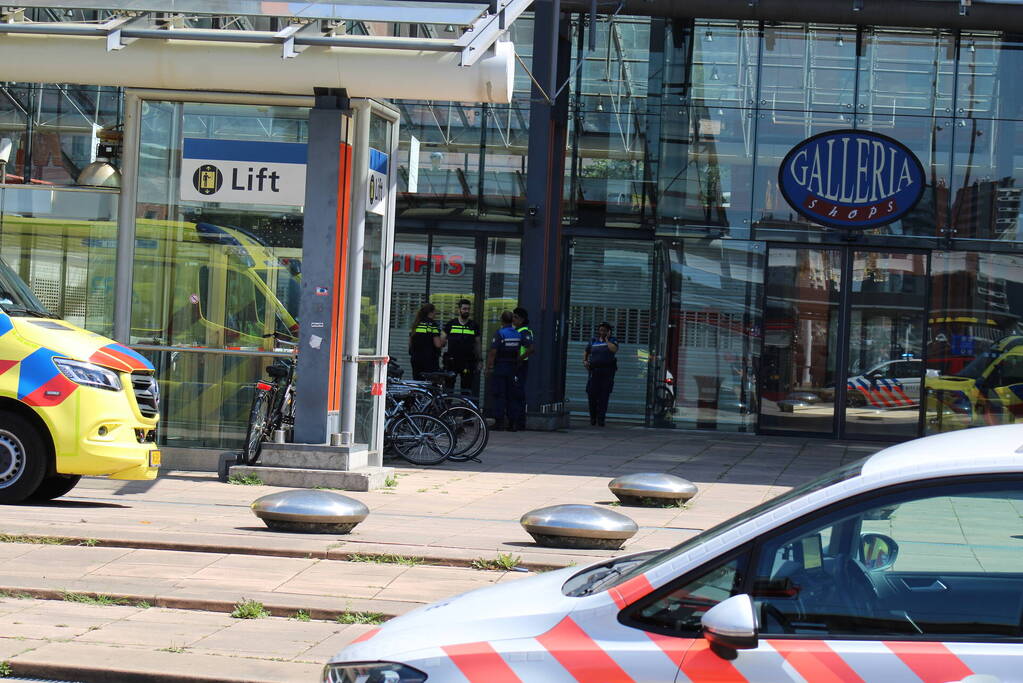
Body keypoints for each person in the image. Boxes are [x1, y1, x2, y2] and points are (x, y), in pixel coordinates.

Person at [486, 310, 523, 431]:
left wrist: (489, 367)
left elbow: (493, 353)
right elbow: (519, 351)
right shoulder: (517, 334)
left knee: (499, 394)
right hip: (512, 368)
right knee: (512, 396)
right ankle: (513, 423)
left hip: (500, 367)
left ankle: (499, 421)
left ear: (501, 320)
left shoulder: (500, 334)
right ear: (512, 320)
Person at [443, 298, 481, 395]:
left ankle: (464, 409)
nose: (466, 311)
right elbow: (441, 341)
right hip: (452, 362)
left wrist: (480, 360)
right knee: (448, 388)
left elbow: (477, 344)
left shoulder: (474, 325)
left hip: (468, 362)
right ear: (459, 310)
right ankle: (447, 409)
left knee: (466, 389)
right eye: (464, 309)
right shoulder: (451, 324)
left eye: (468, 309)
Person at [583, 321, 618, 426]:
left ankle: (601, 419)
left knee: (604, 396)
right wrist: (585, 361)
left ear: (608, 331)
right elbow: (586, 351)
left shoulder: (612, 340)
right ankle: (593, 418)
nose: (601, 332)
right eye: (600, 330)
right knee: (592, 395)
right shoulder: (593, 340)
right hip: (594, 371)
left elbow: (614, 349)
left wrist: (607, 339)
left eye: (604, 330)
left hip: (607, 372)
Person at [511, 307, 534, 430]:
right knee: (515, 393)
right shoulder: (517, 330)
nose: (513, 319)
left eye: (516, 317)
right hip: (516, 366)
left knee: (518, 394)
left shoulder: (524, 332)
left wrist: (518, 359)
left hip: (520, 366)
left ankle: (519, 422)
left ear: (522, 319)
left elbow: (531, 349)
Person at [409, 303, 445, 380]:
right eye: (435, 311)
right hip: (430, 360)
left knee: (418, 382)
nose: (436, 314)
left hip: (416, 359)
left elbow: (410, 343)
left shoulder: (416, 324)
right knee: (431, 383)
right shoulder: (432, 325)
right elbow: (438, 344)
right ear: (431, 312)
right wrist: (444, 340)